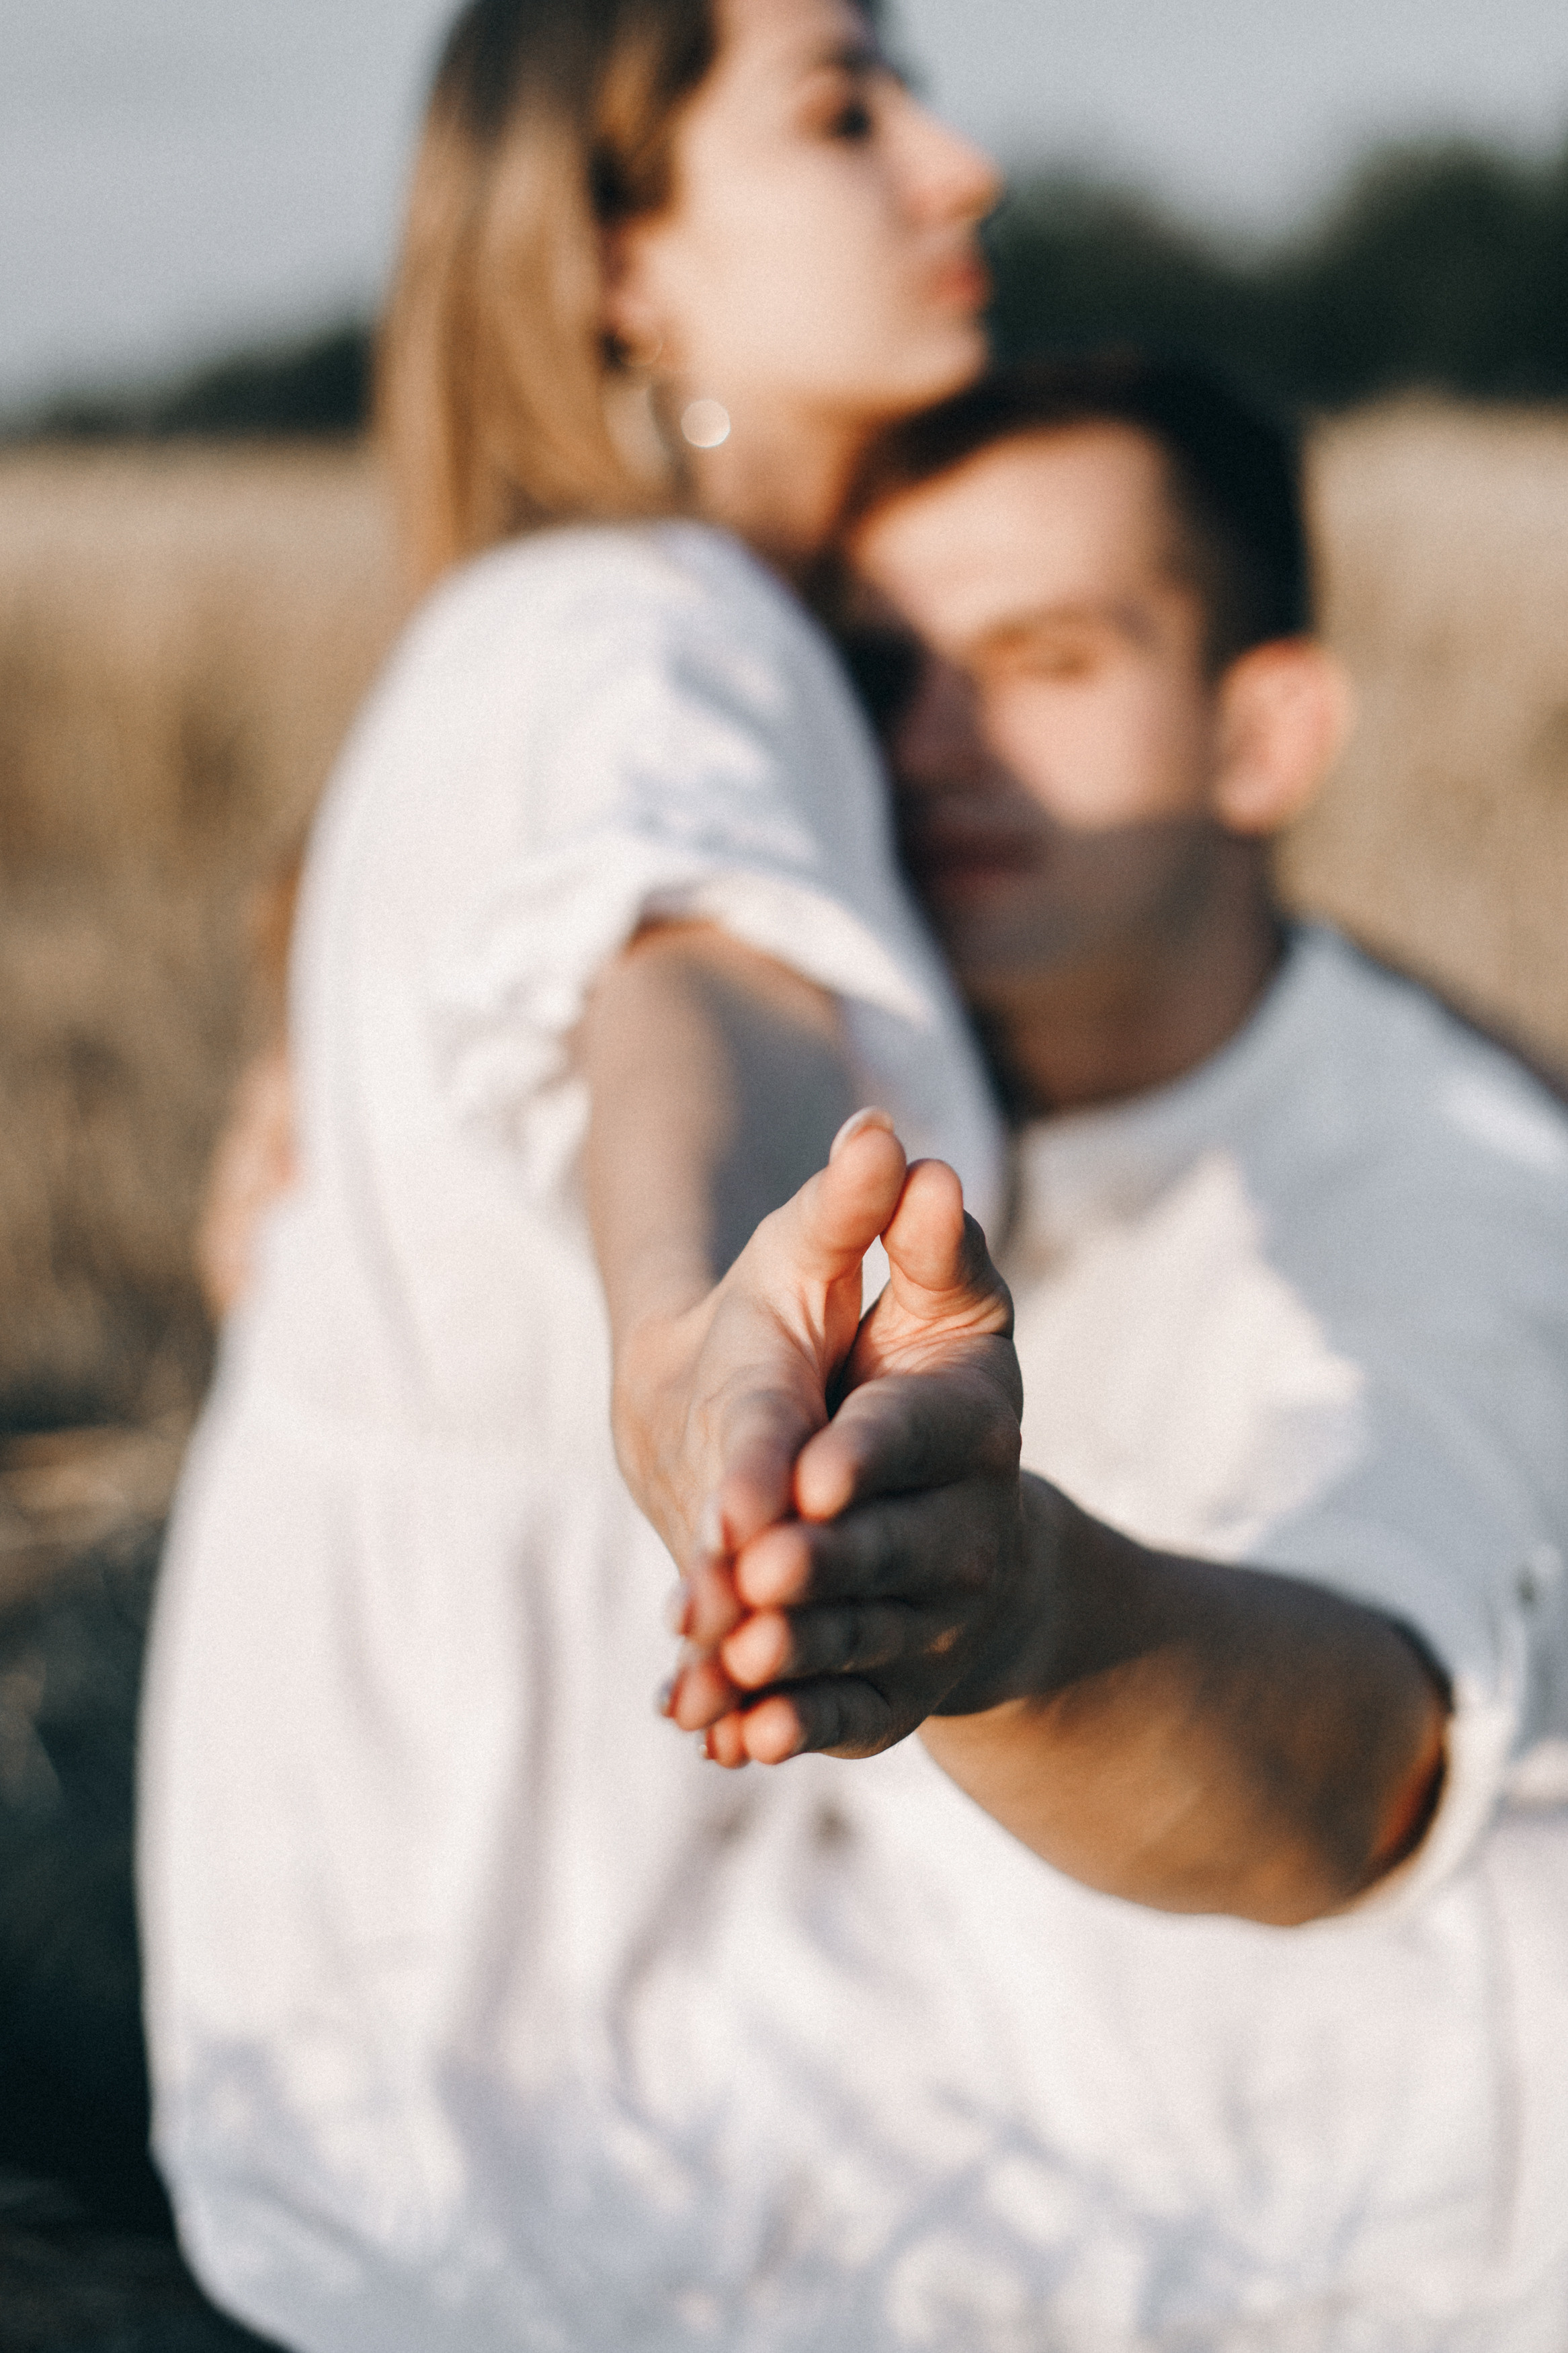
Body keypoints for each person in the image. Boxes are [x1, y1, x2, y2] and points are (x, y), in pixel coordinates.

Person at [136, 3, 1030, 2348]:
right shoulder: (639, 633)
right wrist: (697, 1311)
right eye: (842, 109)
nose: (961, 168)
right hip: (563, 2001)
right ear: (618, 256)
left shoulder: (628, 629)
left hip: (449, 1942)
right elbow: (685, 975)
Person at [664, 356, 1568, 2342]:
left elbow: (1356, 1764)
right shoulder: (862, 1069)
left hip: (1320, 2252)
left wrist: (1005, 1617)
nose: (932, 747)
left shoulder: (1463, 1204)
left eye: (1047, 660)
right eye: (882, 673)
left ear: (1263, 735)